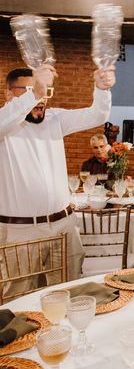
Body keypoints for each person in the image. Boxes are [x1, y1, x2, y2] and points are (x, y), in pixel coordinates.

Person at [0, 63, 115, 294]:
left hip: (64, 226)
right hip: (21, 232)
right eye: (30, 90)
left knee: (68, 293)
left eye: (44, 91)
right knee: (18, 300)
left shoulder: (55, 119)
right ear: (9, 93)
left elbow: (97, 115)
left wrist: (102, 90)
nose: (41, 99)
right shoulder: (4, 123)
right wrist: (35, 93)